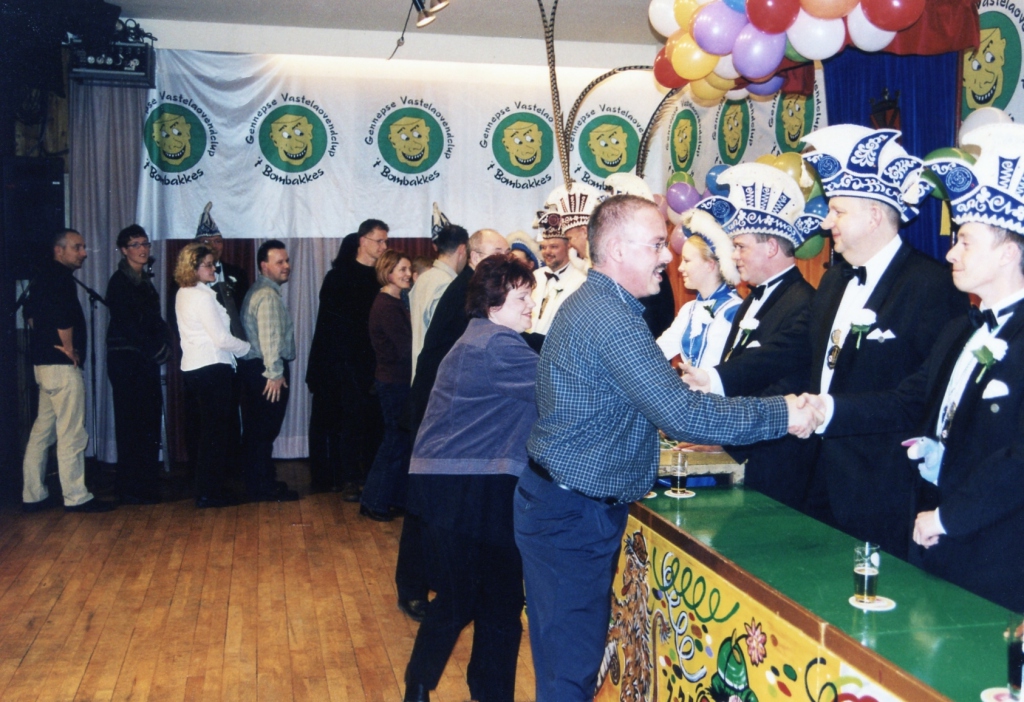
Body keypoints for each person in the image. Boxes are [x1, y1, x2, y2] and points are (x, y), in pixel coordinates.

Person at [514, 194, 820, 702]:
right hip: (572, 516)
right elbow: (682, 413)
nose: (667, 256)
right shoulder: (611, 318)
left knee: (568, 665)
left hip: (564, 508)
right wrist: (784, 414)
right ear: (617, 249)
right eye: (657, 244)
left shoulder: (603, 305)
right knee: (570, 673)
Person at [803, 123, 1024, 611]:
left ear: (1008, 253)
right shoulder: (961, 330)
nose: (950, 252)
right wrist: (933, 447)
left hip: (998, 552)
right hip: (937, 537)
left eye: (965, 241)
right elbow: (914, 400)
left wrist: (948, 517)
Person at [796, 125, 965, 557]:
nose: (826, 222)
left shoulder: (932, 286)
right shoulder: (832, 280)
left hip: (882, 493)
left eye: (838, 211)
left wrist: (831, 411)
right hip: (817, 483)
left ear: (873, 215)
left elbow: (924, 398)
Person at [403, 255, 539, 702]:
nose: (530, 306)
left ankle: (421, 687)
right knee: (491, 599)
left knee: (470, 596)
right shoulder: (498, 345)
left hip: (460, 484)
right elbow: (561, 391)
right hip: (469, 485)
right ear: (494, 303)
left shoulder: (482, 337)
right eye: (522, 298)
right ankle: (475, 691)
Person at [679, 163, 819, 509]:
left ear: (771, 247)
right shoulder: (750, 300)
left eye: (740, 246)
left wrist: (727, 436)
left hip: (778, 463)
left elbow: (784, 383)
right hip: (745, 451)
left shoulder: (804, 303)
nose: (734, 256)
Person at [395, 228, 509, 622]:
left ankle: (442, 585)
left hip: (445, 410)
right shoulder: (469, 292)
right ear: (474, 256)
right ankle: (413, 588)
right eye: (498, 251)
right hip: (437, 410)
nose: (506, 257)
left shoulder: (473, 288)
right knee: (425, 504)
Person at [22, 229, 115, 513]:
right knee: (71, 432)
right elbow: (63, 316)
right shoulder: (60, 277)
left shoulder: (41, 275)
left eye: (84, 247)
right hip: (61, 368)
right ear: (59, 250)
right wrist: (68, 347)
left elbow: (29, 315)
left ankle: (33, 494)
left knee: (43, 432)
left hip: (43, 366)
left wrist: (47, 340)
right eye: (77, 247)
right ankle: (76, 496)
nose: (83, 253)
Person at [306, 221, 389, 499]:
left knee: (373, 423)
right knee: (348, 422)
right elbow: (331, 328)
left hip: (374, 361)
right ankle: (349, 478)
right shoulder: (339, 277)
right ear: (362, 241)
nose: (384, 246)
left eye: (385, 241)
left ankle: (369, 477)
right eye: (379, 241)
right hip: (345, 363)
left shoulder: (381, 278)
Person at [174, 243, 251, 508]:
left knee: (208, 434)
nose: (214, 269)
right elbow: (221, 339)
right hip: (212, 368)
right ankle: (209, 493)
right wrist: (249, 349)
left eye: (213, 264)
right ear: (192, 268)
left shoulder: (184, 292)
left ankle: (208, 489)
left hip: (195, 368)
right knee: (215, 434)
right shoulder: (202, 296)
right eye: (207, 265)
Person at [105, 224, 172, 504]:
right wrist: (157, 349)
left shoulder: (143, 280)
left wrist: (165, 342)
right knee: (132, 424)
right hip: (128, 362)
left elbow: (154, 320)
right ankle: (131, 488)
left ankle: (144, 483)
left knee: (147, 422)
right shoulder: (119, 281)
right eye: (135, 245)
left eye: (145, 243)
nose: (143, 249)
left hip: (143, 360)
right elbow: (129, 325)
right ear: (124, 250)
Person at [239, 239, 299, 502]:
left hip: (256, 370)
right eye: (280, 262)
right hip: (266, 371)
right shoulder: (267, 296)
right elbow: (270, 338)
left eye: (287, 260)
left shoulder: (261, 290)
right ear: (264, 266)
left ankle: (260, 481)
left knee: (258, 430)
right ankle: (263, 486)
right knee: (264, 431)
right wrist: (274, 374)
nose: (286, 266)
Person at [360, 250, 414, 521]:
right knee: (393, 443)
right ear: (388, 272)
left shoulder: (395, 301)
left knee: (398, 442)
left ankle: (388, 498)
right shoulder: (386, 305)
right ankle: (374, 501)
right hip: (393, 382)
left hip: (395, 380)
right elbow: (405, 348)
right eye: (402, 270)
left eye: (409, 269)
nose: (408, 274)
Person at [655, 229, 741, 369]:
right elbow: (658, 352)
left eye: (686, 261)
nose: (680, 268)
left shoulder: (734, 310)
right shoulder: (689, 309)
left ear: (710, 265)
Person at [410, 206, 469, 380]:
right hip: (436, 375)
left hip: (421, 372)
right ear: (462, 249)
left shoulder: (423, 278)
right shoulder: (448, 285)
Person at [529, 215, 587, 337]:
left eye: (554, 247)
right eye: (543, 247)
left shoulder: (581, 280)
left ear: (569, 246)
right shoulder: (536, 275)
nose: (547, 252)